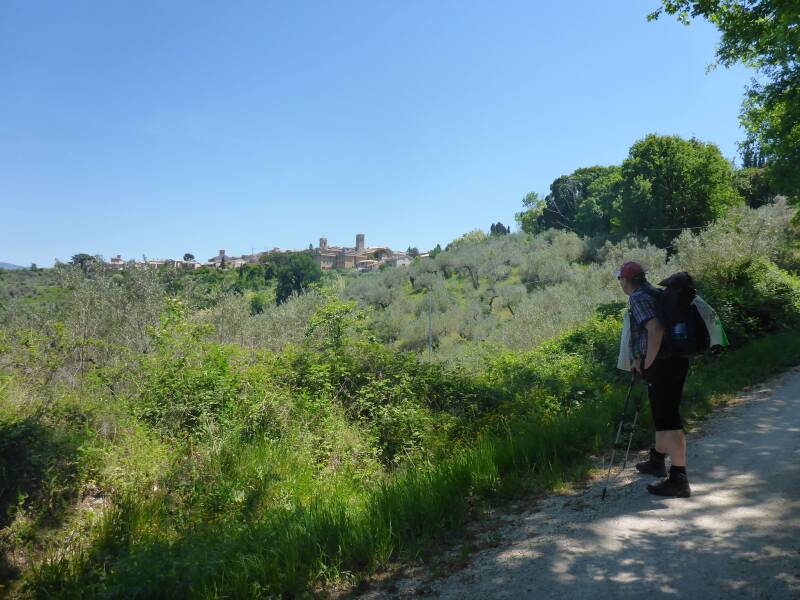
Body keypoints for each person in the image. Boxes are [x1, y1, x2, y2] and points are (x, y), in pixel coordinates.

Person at [616, 261, 691, 498]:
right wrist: (642, 358)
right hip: (676, 360)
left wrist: (648, 362)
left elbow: (655, 329)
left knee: (669, 419)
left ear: (625, 280)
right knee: (663, 414)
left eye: (619, 279)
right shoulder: (655, 292)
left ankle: (679, 479)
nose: (620, 283)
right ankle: (657, 461)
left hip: (662, 364)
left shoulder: (638, 298)